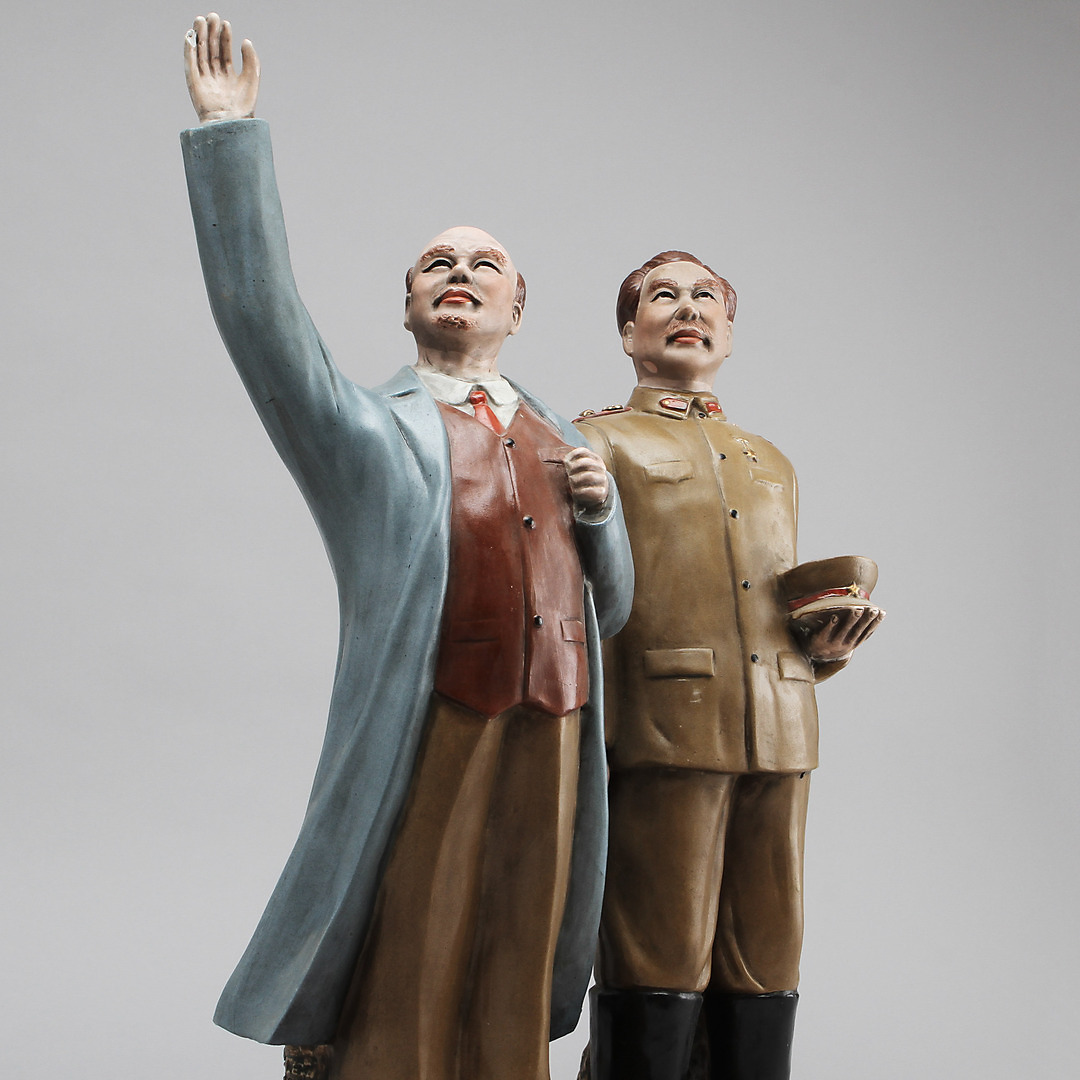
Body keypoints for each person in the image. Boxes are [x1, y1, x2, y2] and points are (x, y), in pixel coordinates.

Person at [180, 15, 633, 1080]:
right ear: (408, 305)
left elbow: (610, 608)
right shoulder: (371, 435)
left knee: (523, 931)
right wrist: (229, 141)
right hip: (439, 712)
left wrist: (603, 517)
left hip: (558, 717)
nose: (460, 272)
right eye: (437, 263)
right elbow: (266, 328)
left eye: (485, 264)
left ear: (519, 305)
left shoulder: (565, 437)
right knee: (417, 930)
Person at [574, 252, 883, 1080]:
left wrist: (823, 646)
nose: (688, 309)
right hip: (661, 727)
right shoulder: (596, 441)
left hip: (782, 728)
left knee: (767, 953)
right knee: (657, 949)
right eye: (664, 296)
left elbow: (765, 600)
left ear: (730, 334)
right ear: (629, 332)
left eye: (705, 296)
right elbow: (579, 589)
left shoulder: (770, 460)